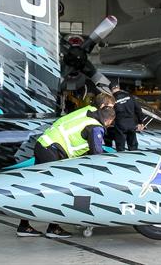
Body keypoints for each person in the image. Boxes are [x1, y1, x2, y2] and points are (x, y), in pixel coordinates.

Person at [17, 93, 116, 238]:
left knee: (36, 186)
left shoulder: (87, 111)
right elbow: (97, 155)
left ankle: (24, 225)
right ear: (104, 109)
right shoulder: (94, 126)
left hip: (45, 144)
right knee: (57, 189)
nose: (112, 111)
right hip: (53, 149)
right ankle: (53, 228)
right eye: (111, 108)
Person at [110, 82, 146, 151]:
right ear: (119, 88)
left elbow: (110, 113)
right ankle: (134, 158)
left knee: (120, 147)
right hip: (132, 124)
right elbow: (138, 109)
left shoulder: (112, 100)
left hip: (120, 125)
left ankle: (122, 159)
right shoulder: (129, 96)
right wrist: (140, 121)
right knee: (133, 146)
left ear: (111, 90)